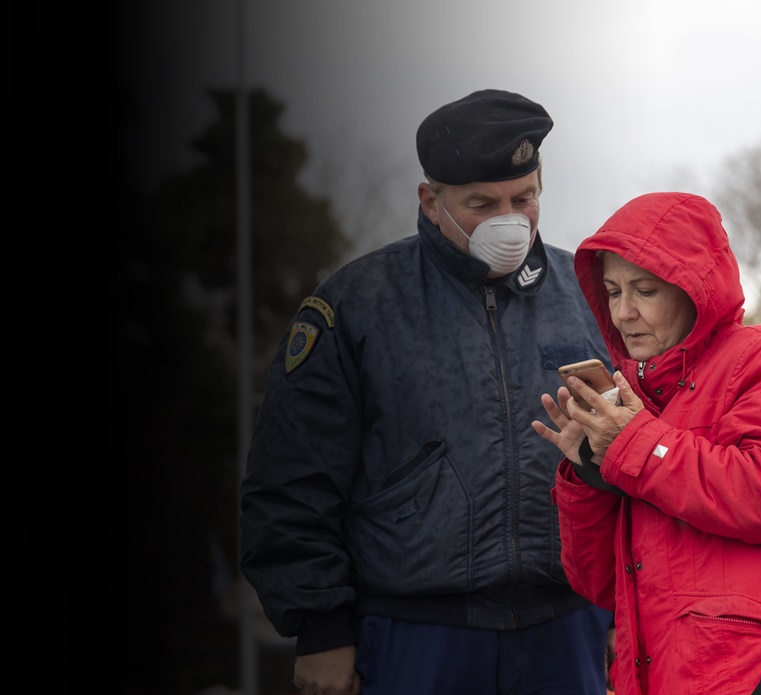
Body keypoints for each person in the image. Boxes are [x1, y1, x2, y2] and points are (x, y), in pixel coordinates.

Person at [240, 88, 615, 695]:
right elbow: (292, 480)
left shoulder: (592, 297)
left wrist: (633, 606)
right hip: (412, 634)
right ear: (430, 200)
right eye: (481, 203)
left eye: (524, 198)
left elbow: (639, 466)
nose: (509, 221)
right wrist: (320, 630)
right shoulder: (356, 306)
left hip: (569, 630)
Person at [532, 192, 761, 694]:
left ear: (695, 291)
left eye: (645, 291)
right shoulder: (633, 399)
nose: (624, 312)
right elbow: (600, 586)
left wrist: (633, 444)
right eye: (612, 292)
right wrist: (592, 472)